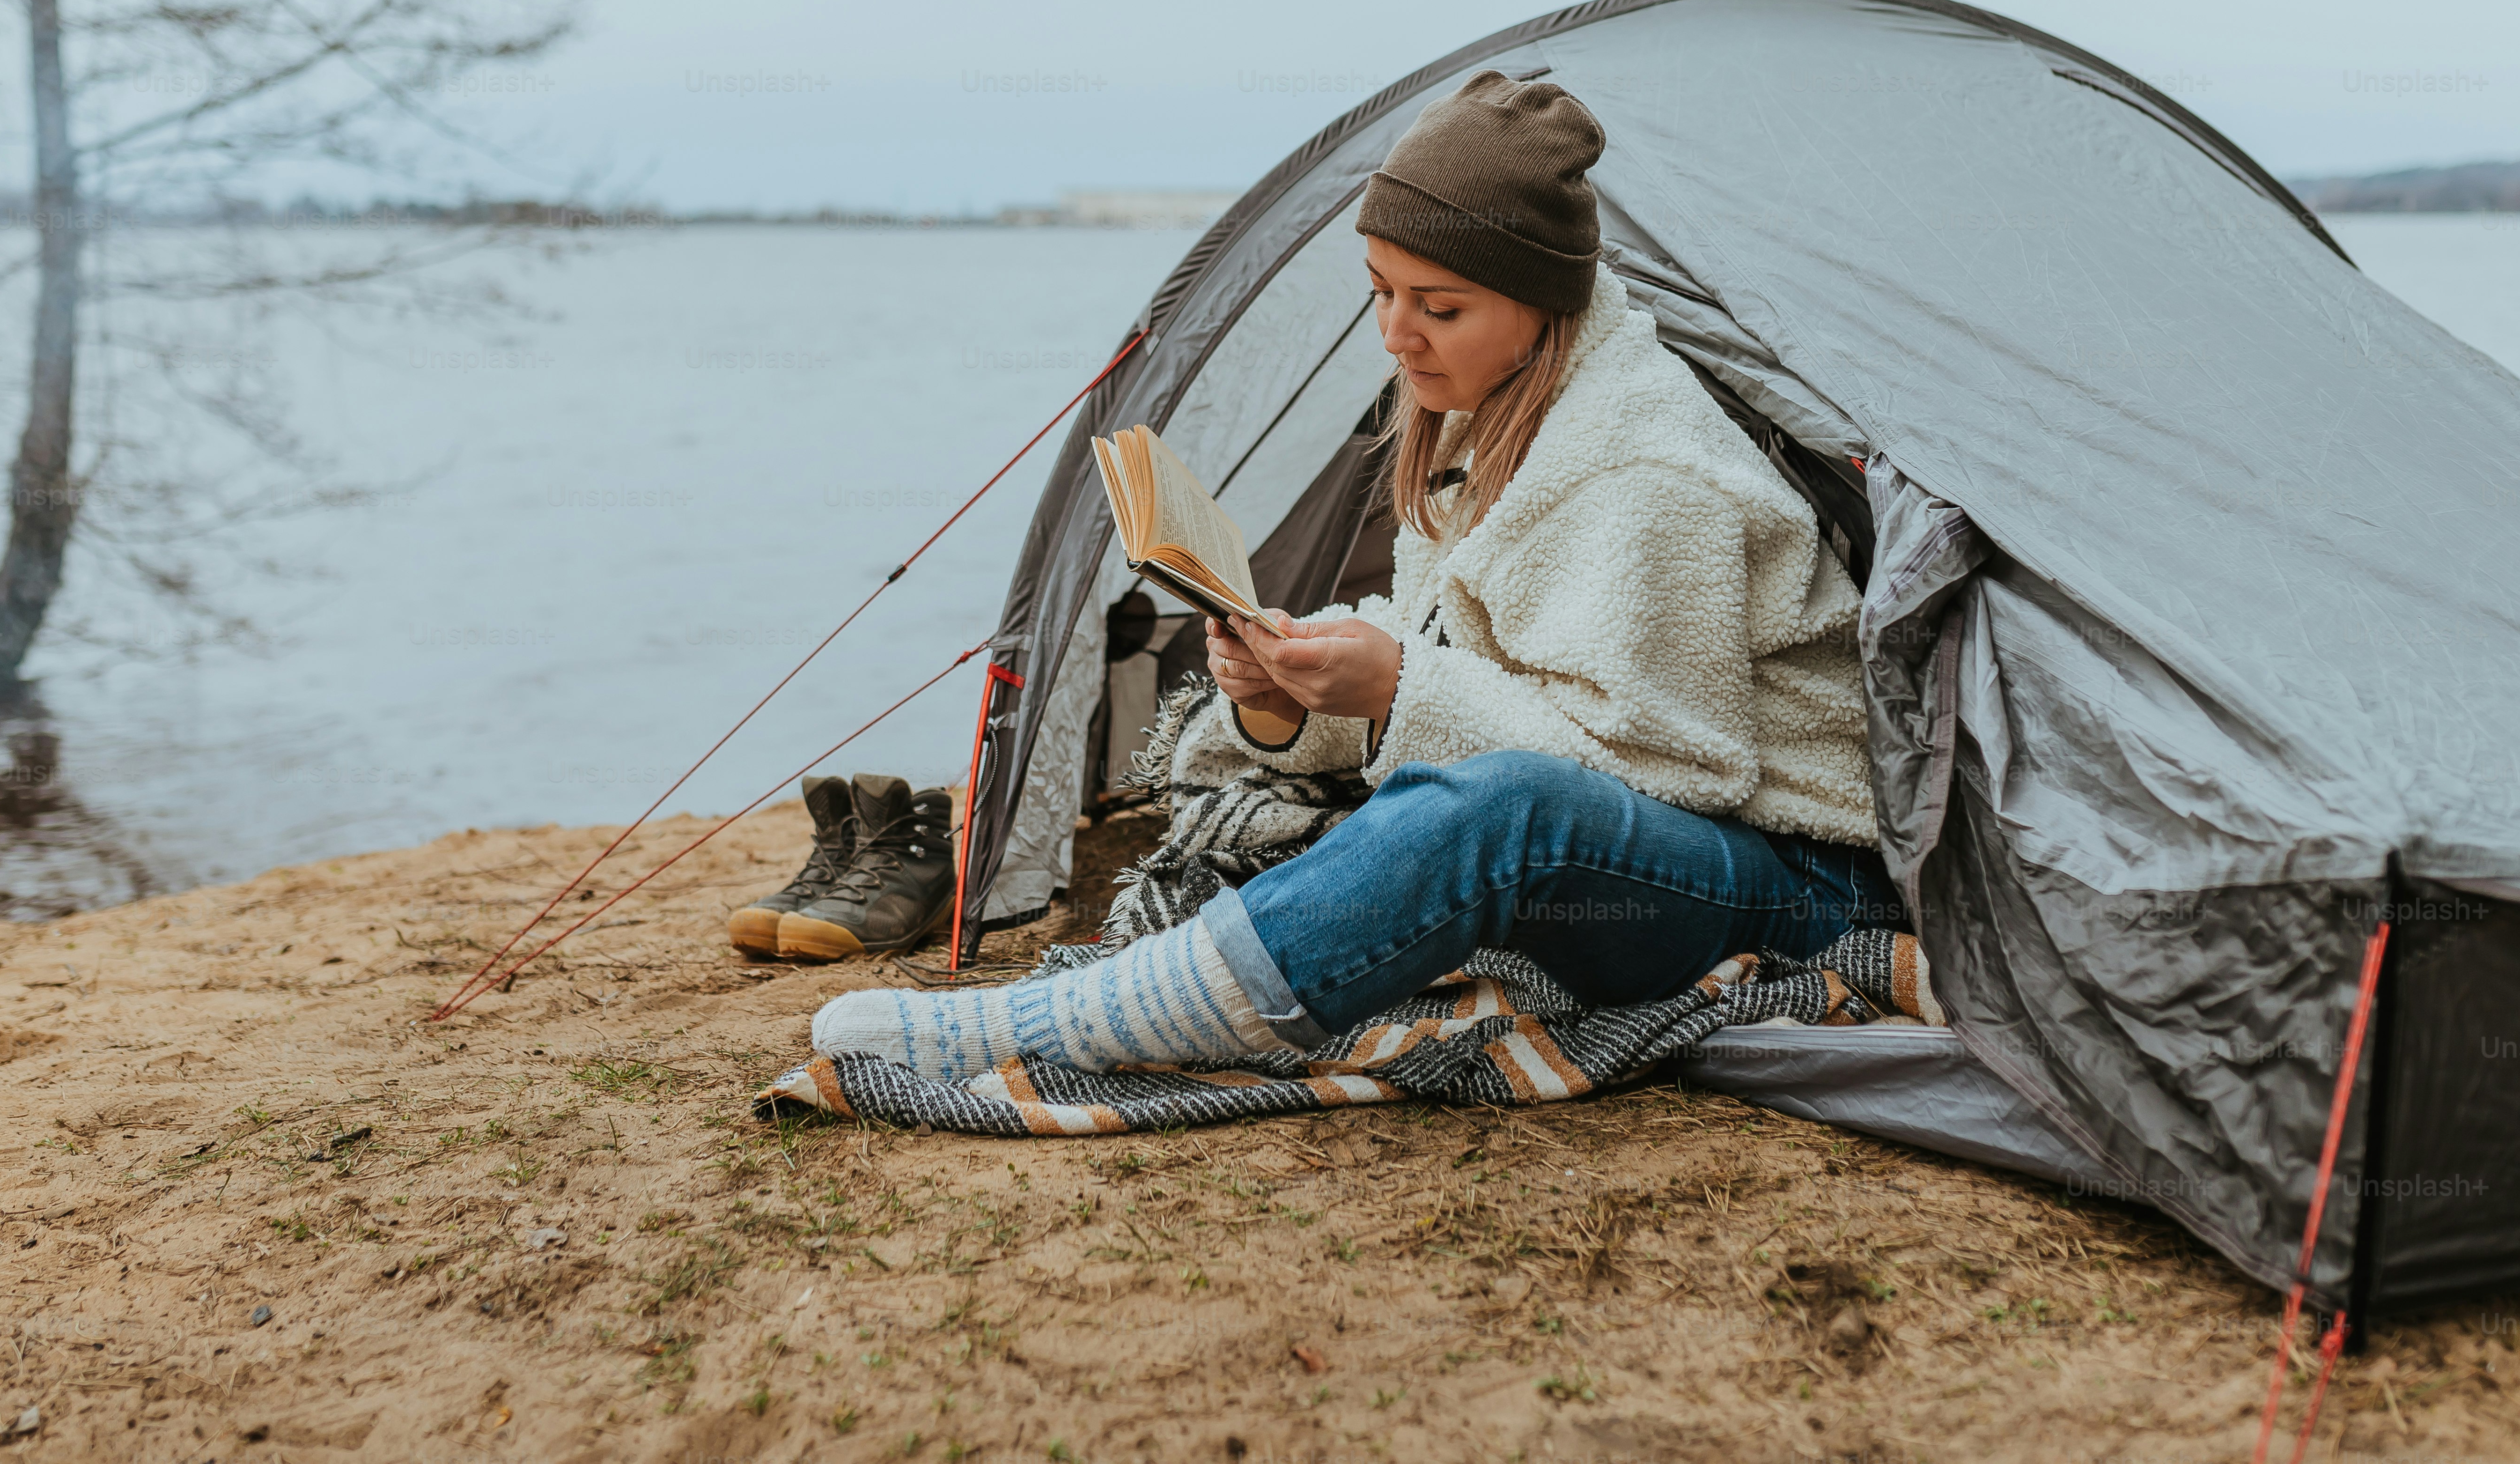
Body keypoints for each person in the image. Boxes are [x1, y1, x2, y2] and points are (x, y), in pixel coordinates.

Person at [809, 68, 1900, 1082]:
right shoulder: (1494, 412)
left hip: (1792, 879)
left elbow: (1672, 771)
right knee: (1476, 802)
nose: (1397, 335)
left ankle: (1086, 1020)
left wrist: (1395, 690)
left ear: (1539, 299)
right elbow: (1467, 646)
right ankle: (1168, 989)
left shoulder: (1650, 468)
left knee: (1502, 810)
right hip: (1647, 853)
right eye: (1381, 292)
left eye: (1439, 305)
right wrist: (1300, 696)